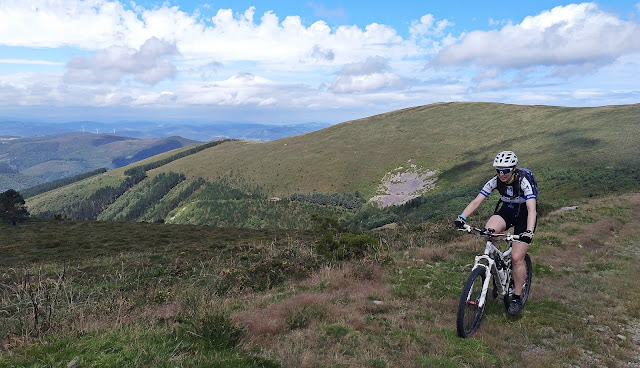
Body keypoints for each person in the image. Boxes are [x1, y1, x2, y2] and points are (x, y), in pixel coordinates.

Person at [454, 150, 537, 316]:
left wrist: (528, 231)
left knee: (516, 258)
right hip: (506, 211)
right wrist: (462, 218)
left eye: (505, 171)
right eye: (498, 170)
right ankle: (497, 268)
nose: (502, 174)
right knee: (489, 232)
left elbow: (531, 209)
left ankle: (517, 297)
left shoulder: (524, 181)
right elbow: (477, 200)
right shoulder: (495, 181)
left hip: (524, 217)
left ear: (513, 169)